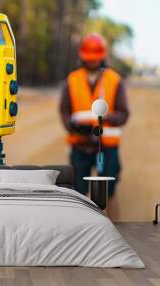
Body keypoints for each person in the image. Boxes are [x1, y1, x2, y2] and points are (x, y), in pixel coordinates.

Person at [59, 33, 129, 218]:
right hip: (80, 146)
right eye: (89, 58)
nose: (92, 62)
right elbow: (65, 110)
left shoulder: (114, 80)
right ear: (82, 56)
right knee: (79, 194)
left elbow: (123, 113)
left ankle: (113, 228)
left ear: (102, 56)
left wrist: (106, 117)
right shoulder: (72, 79)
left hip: (107, 147)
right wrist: (72, 126)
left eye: (95, 58)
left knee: (108, 193)